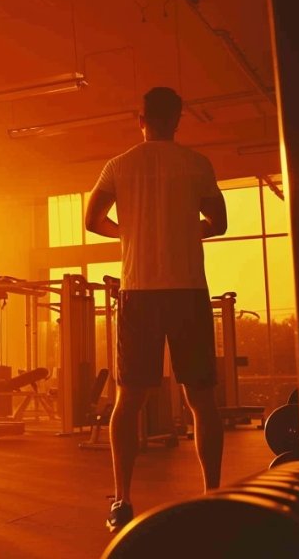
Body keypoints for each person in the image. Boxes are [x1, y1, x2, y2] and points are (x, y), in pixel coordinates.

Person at [84, 87, 228, 532]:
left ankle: (122, 500)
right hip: (187, 291)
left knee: (129, 399)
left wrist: (128, 233)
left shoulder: (118, 165)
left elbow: (92, 220)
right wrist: (184, 233)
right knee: (202, 399)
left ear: (139, 117)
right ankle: (212, 496)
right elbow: (219, 223)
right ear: (178, 119)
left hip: (140, 293)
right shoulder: (196, 164)